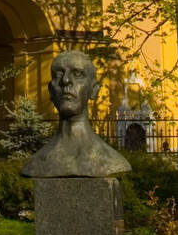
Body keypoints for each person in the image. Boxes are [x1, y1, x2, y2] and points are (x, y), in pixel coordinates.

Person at [22, 50, 131, 178]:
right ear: (51, 91)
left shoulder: (111, 161)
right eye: (58, 74)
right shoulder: (37, 163)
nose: (66, 80)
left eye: (77, 74)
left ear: (94, 90)